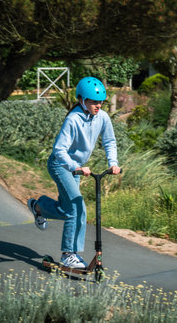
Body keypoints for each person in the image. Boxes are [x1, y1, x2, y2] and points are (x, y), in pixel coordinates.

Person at [27, 77, 121, 269]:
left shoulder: (102, 117)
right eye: (94, 101)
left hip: (76, 168)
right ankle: (69, 254)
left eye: (100, 101)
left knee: (66, 209)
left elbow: (109, 142)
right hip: (60, 165)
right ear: (81, 100)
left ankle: (38, 207)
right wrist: (74, 167)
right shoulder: (73, 119)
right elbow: (59, 150)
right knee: (78, 206)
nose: (98, 105)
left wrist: (113, 163)